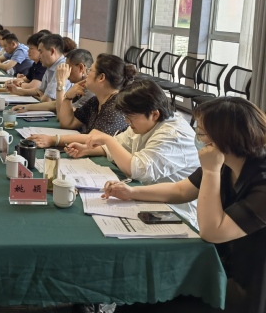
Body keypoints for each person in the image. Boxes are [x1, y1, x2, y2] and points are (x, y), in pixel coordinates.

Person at [104, 97, 266, 313]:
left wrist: (210, 171)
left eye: (202, 134)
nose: (199, 139)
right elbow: (181, 190)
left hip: (247, 284)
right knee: (140, 295)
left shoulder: (252, 177)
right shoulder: (226, 163)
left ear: (226, 137)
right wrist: (132, 192)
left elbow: (212, 231)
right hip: (216, 263)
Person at [66, 79, 200, 227]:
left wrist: (107, 140)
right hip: (149, 197)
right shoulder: (146, 124)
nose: (126, 121)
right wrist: (88, 149)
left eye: (130, 116)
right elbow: (121, 144)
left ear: (154, 114)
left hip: (177, 211)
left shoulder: (173, 135)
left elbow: (137, 170)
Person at [28, 53, 134, 148]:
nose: (86, 74)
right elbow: (68, 123)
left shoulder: (116, 106)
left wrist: (53, 140)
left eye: (90, 70)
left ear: (101, 77)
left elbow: (93, 139)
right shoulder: (95, 101)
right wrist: (68, 98)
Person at [18, 48, 94, 112]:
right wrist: (27, 107)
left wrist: (61, 82)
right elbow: (56, 104)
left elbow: (62, 114)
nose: (66, 71)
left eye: (68, 67)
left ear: (81, 68)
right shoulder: (78, 85)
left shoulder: (90, 91)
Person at [8, 34, 69, 106]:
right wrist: (17, 91)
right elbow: (40, 90)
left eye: (41, 52)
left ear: (52, 51)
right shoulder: (50, 65)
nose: (39, 55)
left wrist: (42, 96)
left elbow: (47, 100)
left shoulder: (62, 67)